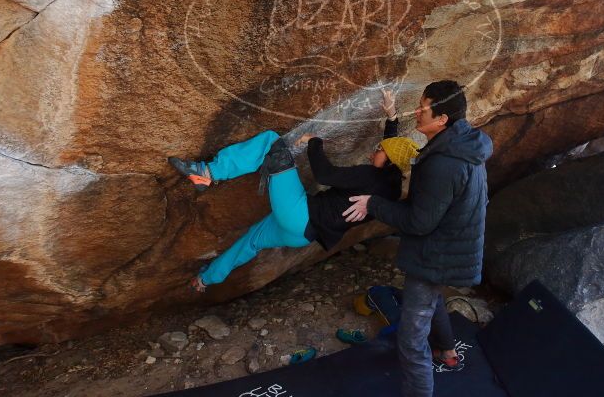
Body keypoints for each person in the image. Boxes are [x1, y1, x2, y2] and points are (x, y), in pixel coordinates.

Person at [168, 91, 419, 290]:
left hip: (300, 215)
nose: (374, 150)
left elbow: (325, 175)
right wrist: (391, 116)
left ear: (388, 161)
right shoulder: (389, 189)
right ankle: (206, 280)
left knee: (270, 144)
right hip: (303, 236)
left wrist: (314, 142)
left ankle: (209, 173)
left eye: (379, 150)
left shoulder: (370, 176)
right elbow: (393, 151)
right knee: (252, 241)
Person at [343, 80, 493, 397]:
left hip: (435, 256)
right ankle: (448, 351)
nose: (418, 110)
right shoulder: (462, 146)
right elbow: (405, 152)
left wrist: (373, 204)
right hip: (454, 248)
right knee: (432, 299)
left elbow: (418, 222)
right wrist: (392, 117)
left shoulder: (443, 163)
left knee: (411, 339)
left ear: (442, 119)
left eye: (424, 107)